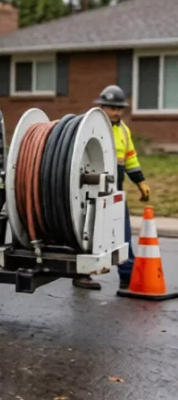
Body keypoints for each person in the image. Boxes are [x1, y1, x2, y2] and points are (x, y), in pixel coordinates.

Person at [74, 85, 151, 291]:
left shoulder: (124, 131)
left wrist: (140, 181)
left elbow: (130, 158)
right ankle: (82, 274)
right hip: (91, 191)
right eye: (111, 107)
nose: (116, 112)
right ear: (102, 106)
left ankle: (127, 276)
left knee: (122, 233)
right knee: (88, 233)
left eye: (119, 108)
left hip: (115, 190)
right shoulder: (89, 126)